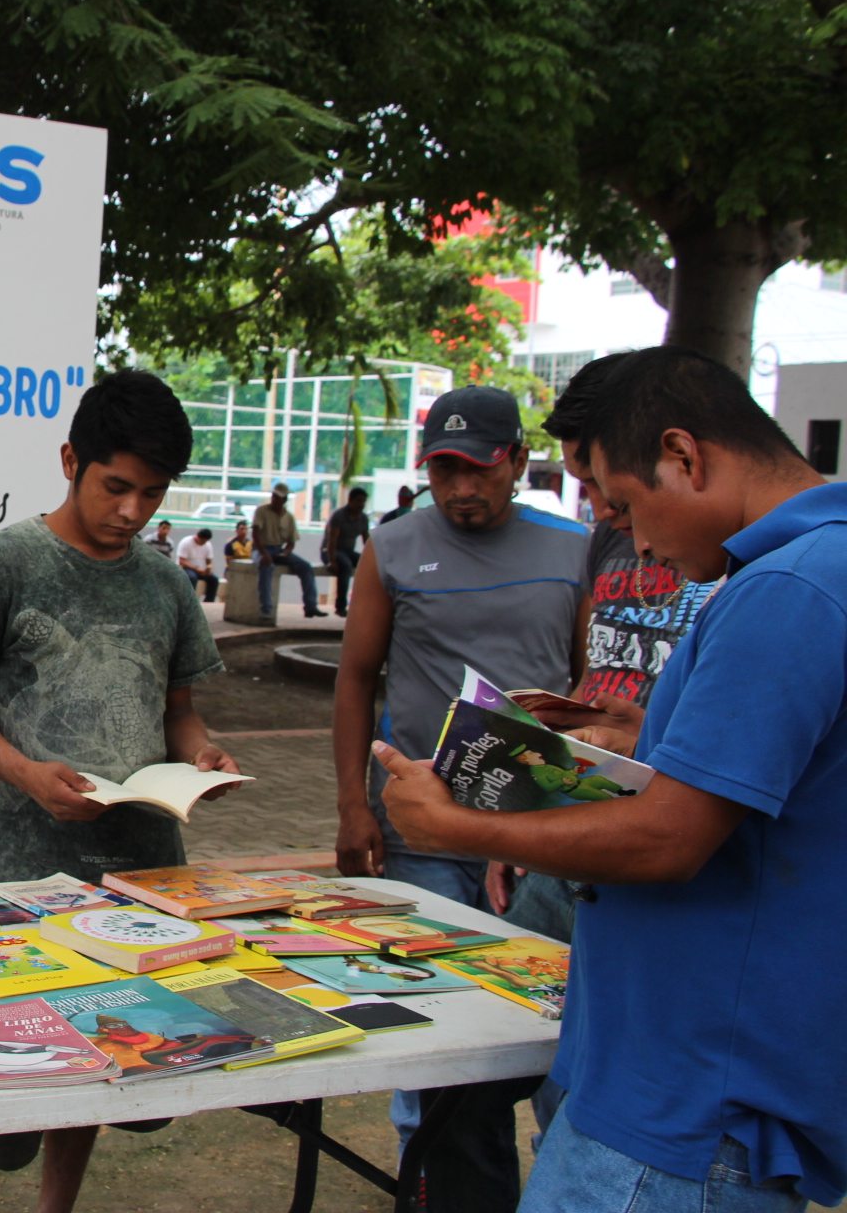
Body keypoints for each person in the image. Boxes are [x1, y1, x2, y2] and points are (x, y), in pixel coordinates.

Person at [374, 348, 845, 1212]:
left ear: (684, 457)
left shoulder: (788, 588)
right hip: (689, 1080)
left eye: (625, 507)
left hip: (685, 1101)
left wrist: (457, 827)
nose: (637, 543)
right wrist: (644, 732)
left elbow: (669, 837)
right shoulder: (814, 569)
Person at [0, 369, 241, 1213]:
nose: (131, 511)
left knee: (103, 1047)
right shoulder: (4, 562)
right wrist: (23, 772)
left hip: (138, 873)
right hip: (19, 867)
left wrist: (203, 759)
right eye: (115, 486)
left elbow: (180, 711)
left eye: (151, 494)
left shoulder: (164, 583)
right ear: (69, 459)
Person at [331, 384, 590, 1207]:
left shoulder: (575, 548)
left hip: (543, 843)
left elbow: (592, 687)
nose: (460, 489)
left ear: (515, 461)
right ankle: (436, 1187)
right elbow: (355, 677)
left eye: (477, 469)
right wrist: (351, 804)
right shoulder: (395, 546)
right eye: (443, 471)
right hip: (424, 843)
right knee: (436, 1036)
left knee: (554, 1041)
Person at [489, 353, 717, 945]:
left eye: (602, 483)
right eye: (586, 484)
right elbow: (595, 680)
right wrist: (526, 810)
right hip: (574, 833)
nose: (602, 507)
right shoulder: (608, 544)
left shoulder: (762, 576)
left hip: (652, 852)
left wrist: (477, 833)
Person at [252, 483, 327, 619]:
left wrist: (286, 553)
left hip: (278, 549)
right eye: (273, 496)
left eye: (278, 497)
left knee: (305, 567)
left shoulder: (289, 517)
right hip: (261, 548)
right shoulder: (261, 511)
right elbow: (255, 534)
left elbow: (291, 542)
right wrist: (264, 553)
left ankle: (311, 606)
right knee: (266, 566)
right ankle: (266, 609)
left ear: (284, 500)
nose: (274, 499)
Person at [321, 486, 371, 616]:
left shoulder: (363, 518)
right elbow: (331, 542)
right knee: (346, 566)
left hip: (348, 552)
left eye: (363, 501)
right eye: (359, 501)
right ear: (350, 500)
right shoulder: (339, 516)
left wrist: (372, 558)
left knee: (368, 565)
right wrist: (331, 561)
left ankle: (365, 604)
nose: (361, 505)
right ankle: (340, 606)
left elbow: (367, 541)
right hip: (331, 552)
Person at [176, 527, 218, 602]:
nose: (204, 543)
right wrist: (196, 568)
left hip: (201, 570)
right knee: (192, 577)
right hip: (187, 568)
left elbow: (209, 560)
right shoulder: (186, 542)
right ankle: (190, 600)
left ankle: (209, 601)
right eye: (203, 541)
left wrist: (209, 568)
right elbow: (182, 560)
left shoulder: (208, 544)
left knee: (214, 580)